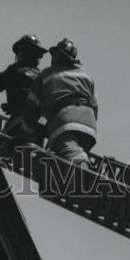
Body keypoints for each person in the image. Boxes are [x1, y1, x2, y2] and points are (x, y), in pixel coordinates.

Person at [19, 38, 98, 166]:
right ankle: (82, 164)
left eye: (55, 54)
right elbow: (94, 106)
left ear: (59, 55)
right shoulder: (87, 76)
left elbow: (32, 108)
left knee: (68, 147)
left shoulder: (46, 74)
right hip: (90, 126)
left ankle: (82, 167)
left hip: (66, 121)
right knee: (65, 158)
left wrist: (25, 134)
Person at [0, 34, 47, 137]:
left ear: (22, 52)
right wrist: (12, 105)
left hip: (21, 122)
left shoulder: (16, 69)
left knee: (4, 144)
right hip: (40, 124)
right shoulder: (41, 75)